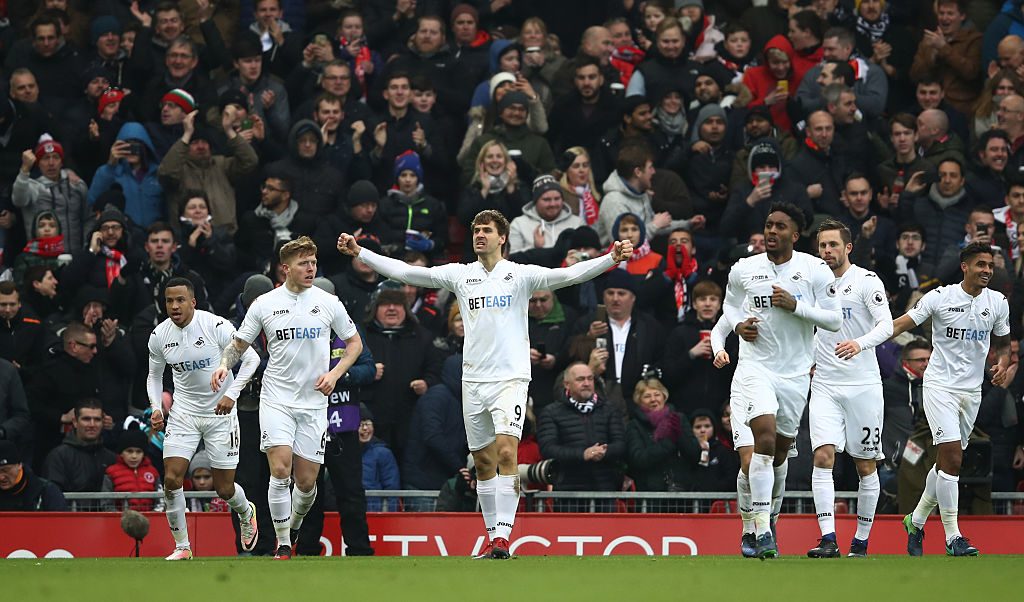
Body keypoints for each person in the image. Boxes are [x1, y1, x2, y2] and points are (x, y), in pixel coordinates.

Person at [337, 209, 634, 559]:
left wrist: (610, 259)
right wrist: (362, 253)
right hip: (473, 379)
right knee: (482, 463)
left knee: (507, 452)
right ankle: (493, 537)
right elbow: (409, 272)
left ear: (502, 238)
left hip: (510, 378)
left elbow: (568, 275)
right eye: (476, 230)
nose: (479, 235)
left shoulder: (519, 276)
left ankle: (503, 538)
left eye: (486, 230)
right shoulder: (462, 276)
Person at [215, 236, 363, 560]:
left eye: (313, 262)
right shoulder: (265, 304)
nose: (310, 268)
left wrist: (335, 374)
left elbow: (355, 344)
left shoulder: (328, 303)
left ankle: (293, 524)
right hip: (276, 398)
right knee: (280, 471)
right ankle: (283, 543)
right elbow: (238, 344)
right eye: (303, 263)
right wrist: (223, 366)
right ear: (286, 268)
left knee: (307, 483)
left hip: (313, 403)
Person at [711, 202, 842, 559]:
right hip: (755, 369)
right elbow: (730, 305)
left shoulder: (814, 269)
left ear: (795, 235)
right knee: (762, 440)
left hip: (796, 373)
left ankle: (764, 518)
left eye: (780, 227)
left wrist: (795, 306)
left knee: (779, 454)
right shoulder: (744, 269)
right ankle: (760, 530)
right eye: (768, 225)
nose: (771, 231)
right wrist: (738, 326)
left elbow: (833, 320)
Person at [891, 242, 1011, 556]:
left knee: (946, 464)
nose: (986, 270)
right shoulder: (941, 297)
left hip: (971, 392)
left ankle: (915, 521)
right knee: (953, 460)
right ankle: (953, 537)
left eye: (989, 265)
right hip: (939, 386)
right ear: (965, 266)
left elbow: (1001, 342)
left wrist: (999, 363)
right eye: (980, 264)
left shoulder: (997, 302)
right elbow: (903, 323)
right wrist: (866, 341)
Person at [147, 277, 261, 560]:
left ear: (193, 302)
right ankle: (182, 547)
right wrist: (156, 407)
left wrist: (231, 394)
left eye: (180, 300)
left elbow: (252, 360)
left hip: (220, 413)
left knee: (224, 489)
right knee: (172, 479)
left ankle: (246, 511)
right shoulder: (159, 335)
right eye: (169, 301)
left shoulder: (215, 326)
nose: (174, 306)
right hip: (184, 413)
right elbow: (154, 375)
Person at [806, 220, 893, 558]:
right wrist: (809, 357)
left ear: (847, 248)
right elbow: (814, 330)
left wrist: (859, 343)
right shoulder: (814, 284)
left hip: (863, 387)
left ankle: (860, 540)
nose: (827, 251)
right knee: (822, 456)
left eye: (832, 245)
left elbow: (886, 324)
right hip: (826, 384)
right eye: (822, 246)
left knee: (865, 465)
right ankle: (828, 538)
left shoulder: (865, 281)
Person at [101, 426, 162, 512]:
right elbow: (106, 502)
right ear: (121, 453)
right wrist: (119, 518)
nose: (134, 456)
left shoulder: (153, 471)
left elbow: (160, 500)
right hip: (120, 522)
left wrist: (154, 515)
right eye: (129, 451)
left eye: (139, 452)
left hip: (150, 521)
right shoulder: (111, 472)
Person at [0, 439, 67, 511]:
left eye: (6, 470)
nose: (1, 477)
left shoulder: (45, 492)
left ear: (19, 465)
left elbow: (60, 521)